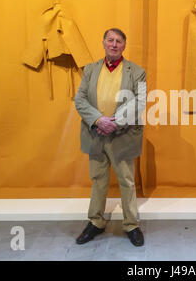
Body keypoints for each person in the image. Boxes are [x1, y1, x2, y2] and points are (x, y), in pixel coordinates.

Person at [74, 28, 146, 247]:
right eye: (110, 40)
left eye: (119, 42)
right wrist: (98, 120)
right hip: (95, 134)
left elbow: (139, 101)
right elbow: (80, 100)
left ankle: (131, 225)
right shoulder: (89, 70)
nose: (114, 44)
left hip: (122, 135)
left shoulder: (138, 72)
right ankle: (95, 222)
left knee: (126, 181)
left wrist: (113, 122)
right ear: (103, 43)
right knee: (98, 180)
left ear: (124, 46)